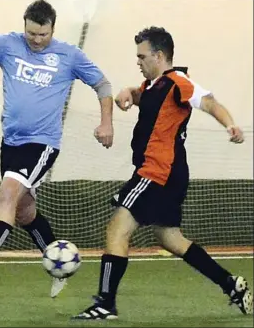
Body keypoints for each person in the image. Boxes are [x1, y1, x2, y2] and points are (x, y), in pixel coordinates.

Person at [0, 0, 114, 298]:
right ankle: (61, 264)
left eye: (42, 34)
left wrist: (106, 123)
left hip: (42, 143)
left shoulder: (69, 55)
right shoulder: (8, 44)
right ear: (25, 26)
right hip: (12, 143)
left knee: (6, 194)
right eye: (31, 33)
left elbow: (103, 85)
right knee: (24, 212)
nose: (36, 39)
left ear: (52, 30)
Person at [73, 26, 253, 319]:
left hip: (157, 172)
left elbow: (208, 102)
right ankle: (231, 284)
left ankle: (105, 303)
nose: (138, 62)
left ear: (159, 55)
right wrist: (127, 92)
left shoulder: (178, 81)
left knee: (117, 228)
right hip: (169, 174)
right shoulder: (154, 86)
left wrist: (230, 124)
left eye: (142, 57)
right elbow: (138, 93)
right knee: (170, 238)